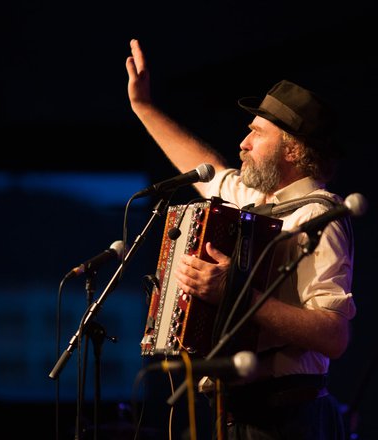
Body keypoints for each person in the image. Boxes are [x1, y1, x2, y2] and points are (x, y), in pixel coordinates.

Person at [126, 38, 356, 440]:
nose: (243, 143)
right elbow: (206, 168)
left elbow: (333, 336)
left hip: (286, 419)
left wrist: (234, 292)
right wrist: (144, 107)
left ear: (292, 148)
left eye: (256, 133)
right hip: (236, 412)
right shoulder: (255, 201)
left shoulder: (319, 215)